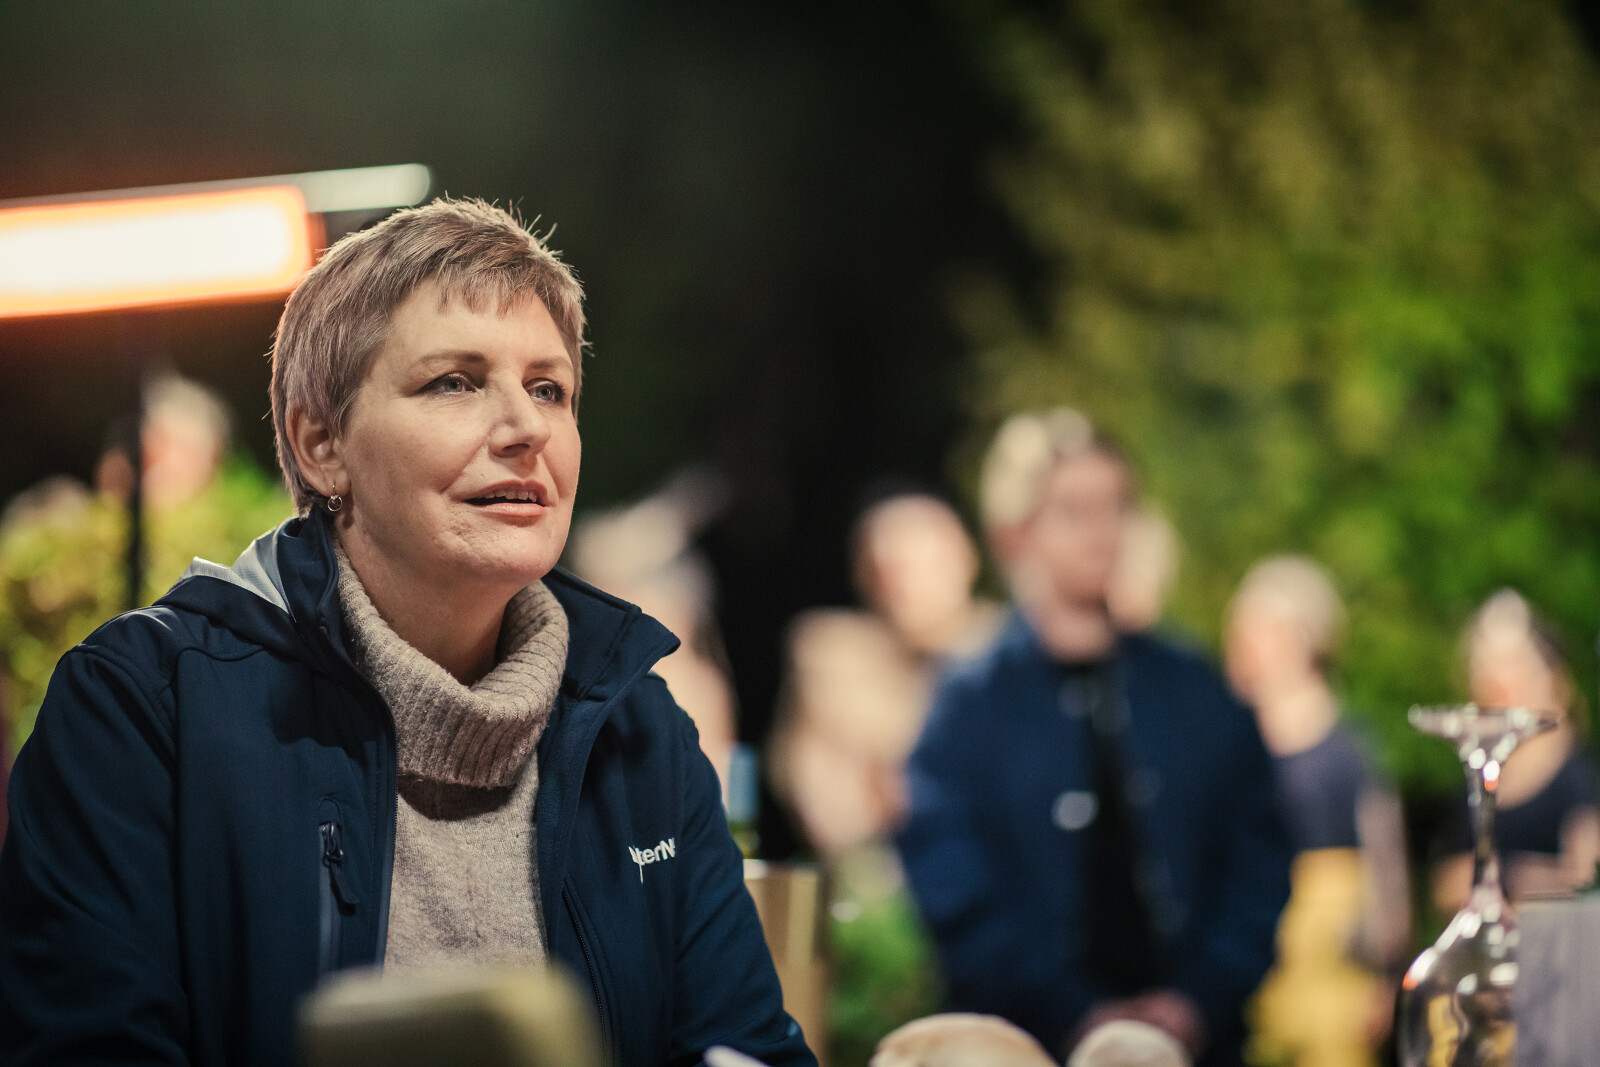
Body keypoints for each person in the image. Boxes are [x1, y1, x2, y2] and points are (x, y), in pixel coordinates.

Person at [0, 198, 814, 1067]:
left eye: (550, 388)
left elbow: (745, 1047)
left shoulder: (640, 731)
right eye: (455, 381)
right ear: (321, 444)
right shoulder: (140, 711)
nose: (527, 428)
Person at [897, 408, 1292, 1067]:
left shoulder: (1193, 687)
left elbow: (1258, 858)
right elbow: (953, 882)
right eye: (1073, 511)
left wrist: (1196, 1002)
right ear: (1016, 531)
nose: (1101, 533)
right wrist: (1072, 1012)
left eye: (1115, 507)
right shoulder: (971, 704)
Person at [1224, 556, 1409, 1067]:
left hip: (1335, 981)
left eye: (1259, 630)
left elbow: (1385, 865)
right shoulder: (1229, 743)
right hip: (1252, 974)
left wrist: (1387, 975)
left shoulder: (1349, 749)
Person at [1431, 589, 1600, 912]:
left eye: (1512, 665)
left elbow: (1587, 882)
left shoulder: (1576, 778)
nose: (1497, 680)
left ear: (1550, 677)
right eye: (1487, 666)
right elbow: (1446, 884)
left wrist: (1503, 875)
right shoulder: (1477, 777)